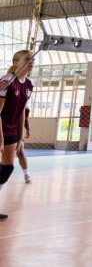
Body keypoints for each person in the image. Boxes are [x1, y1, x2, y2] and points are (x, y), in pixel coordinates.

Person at [0, 49, 35, 219]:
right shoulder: (6, 81)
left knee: (7, 168)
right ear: (16, 62)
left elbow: (21, 112)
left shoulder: (28, 85)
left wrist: (20, 137)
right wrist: (0, 138)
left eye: (33, 58)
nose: (32, 60)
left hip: (12, 130)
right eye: (27, 58)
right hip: (0, 128)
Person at [17, 107, 31, 183]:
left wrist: (28, 130)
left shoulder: (25, 108)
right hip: (3, 129)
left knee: (21, 152)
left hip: (16, 132)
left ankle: (26, 174)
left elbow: (25, 119)